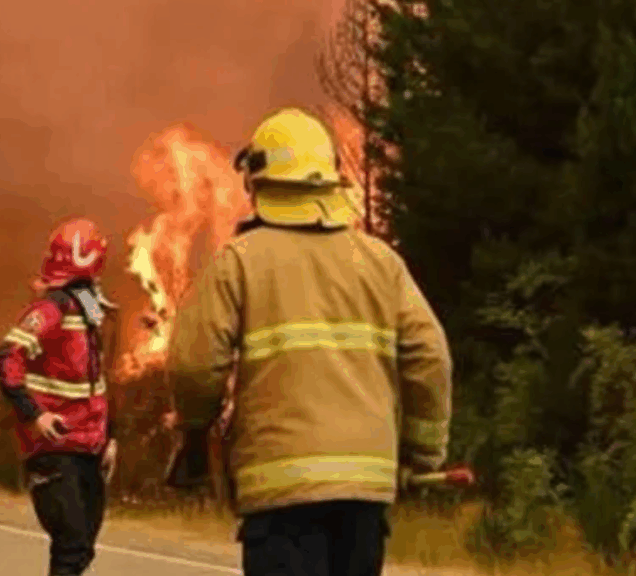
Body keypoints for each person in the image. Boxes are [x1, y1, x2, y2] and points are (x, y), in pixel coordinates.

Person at [164, 107, 453, 576]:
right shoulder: (381, 262)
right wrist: (423, 454)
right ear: (332, 180)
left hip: (281, 496)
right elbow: (430, 356)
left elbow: (193, 366)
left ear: (256, 182)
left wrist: (195, 433)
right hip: (364, 494)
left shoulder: (239, 261)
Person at [0, 217, 120, 576]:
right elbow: (5, 360)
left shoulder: (89, 312)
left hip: (89, 448)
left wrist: (110, 436)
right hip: (54, 448)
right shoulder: (50, 309)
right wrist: (36, 415)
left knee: (81, 550)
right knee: (71, 546)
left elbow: (98, 381)